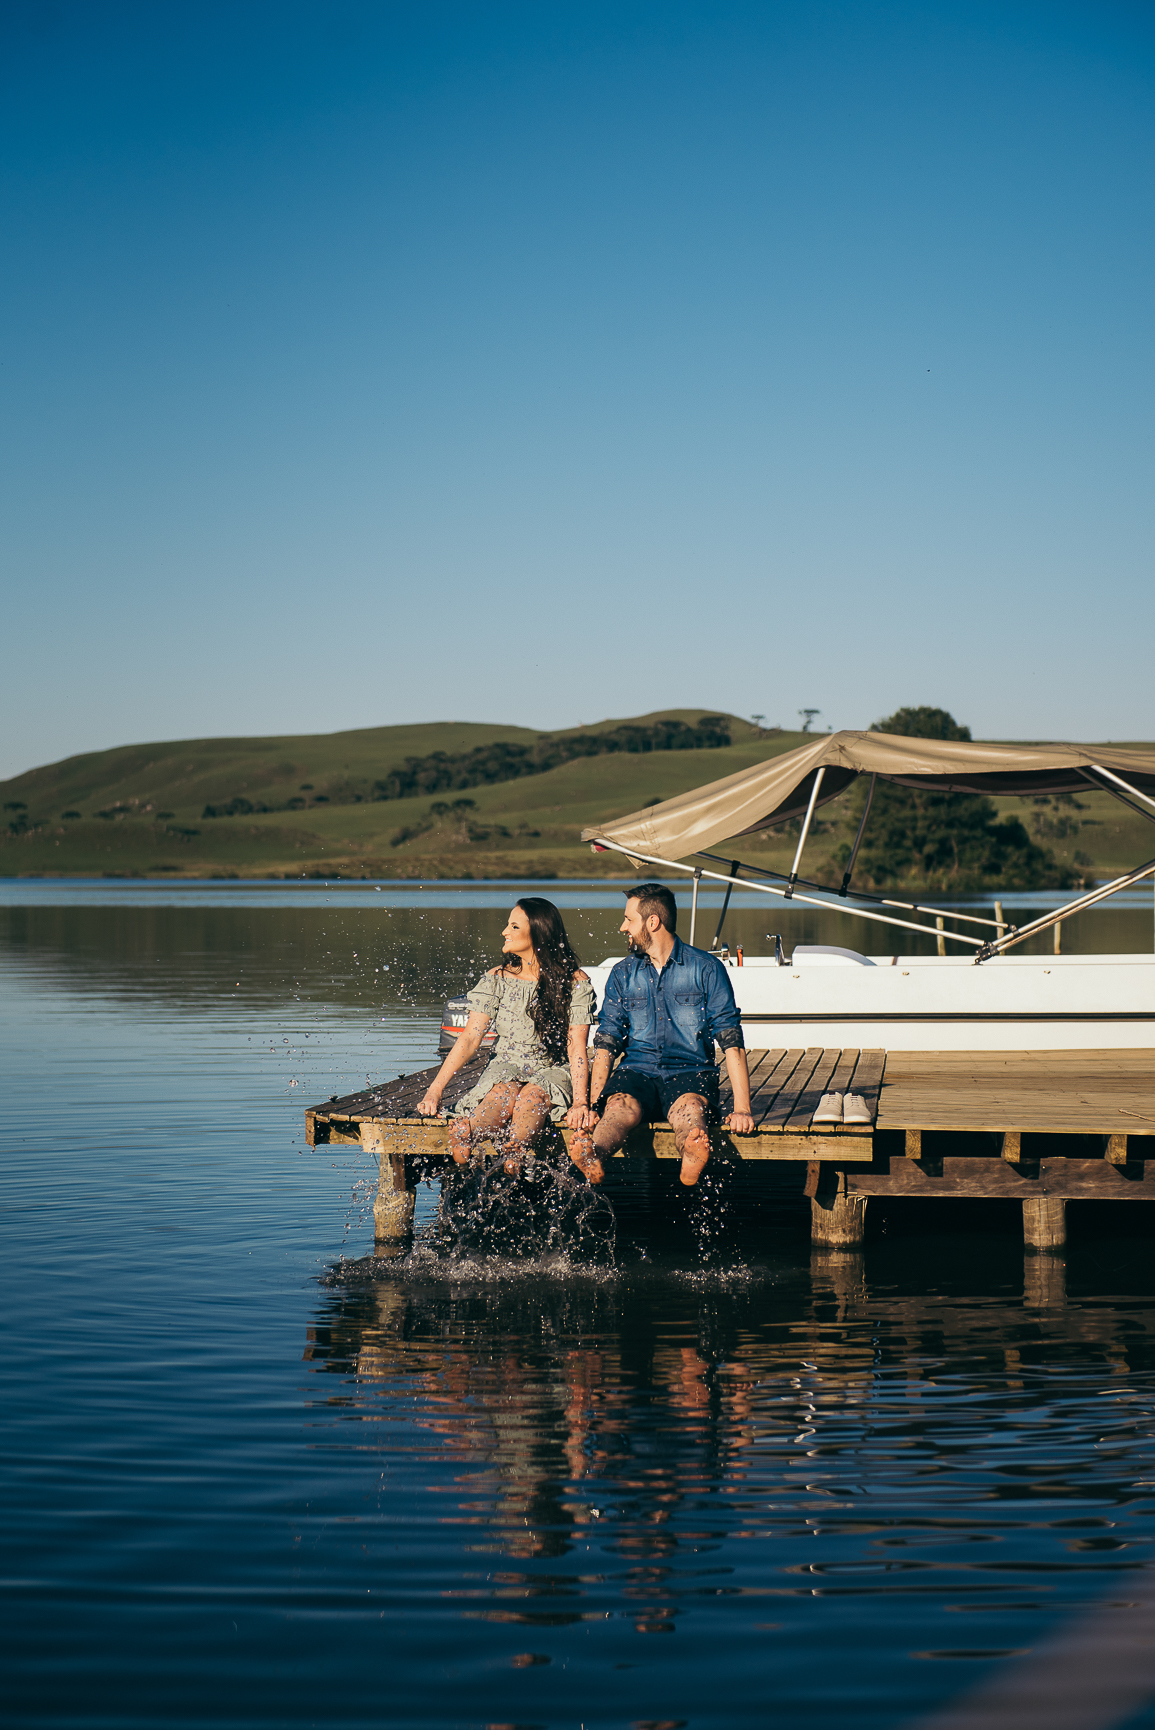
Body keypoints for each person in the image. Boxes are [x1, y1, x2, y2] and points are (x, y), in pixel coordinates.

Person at [569, 882, 755, 1187]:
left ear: (652, 922)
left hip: (691, 1070)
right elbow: (606, 1044)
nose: (622, 927)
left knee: (689, 1109)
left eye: (629, 919)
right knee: (618, 1107)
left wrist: (742, 1109)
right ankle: (595, 1154)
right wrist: (591, 1105)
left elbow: (731, 1040)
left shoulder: (706, 968)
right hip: (637, 1071)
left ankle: (691, 1152)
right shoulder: (622, 973)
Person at [415, 898, 596, 1173]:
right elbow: (469, 1039)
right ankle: (469, 1132)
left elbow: (576, 1048)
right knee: (503, 1092)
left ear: (538, 932)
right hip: (506, 1063)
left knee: (534, 1095)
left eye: (513, 925)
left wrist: (581, 1102)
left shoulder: (574, 982)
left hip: (552, 1067)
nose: (504, 931)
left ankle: (517, 1147)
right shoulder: (497, 978)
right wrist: (434, 1091)